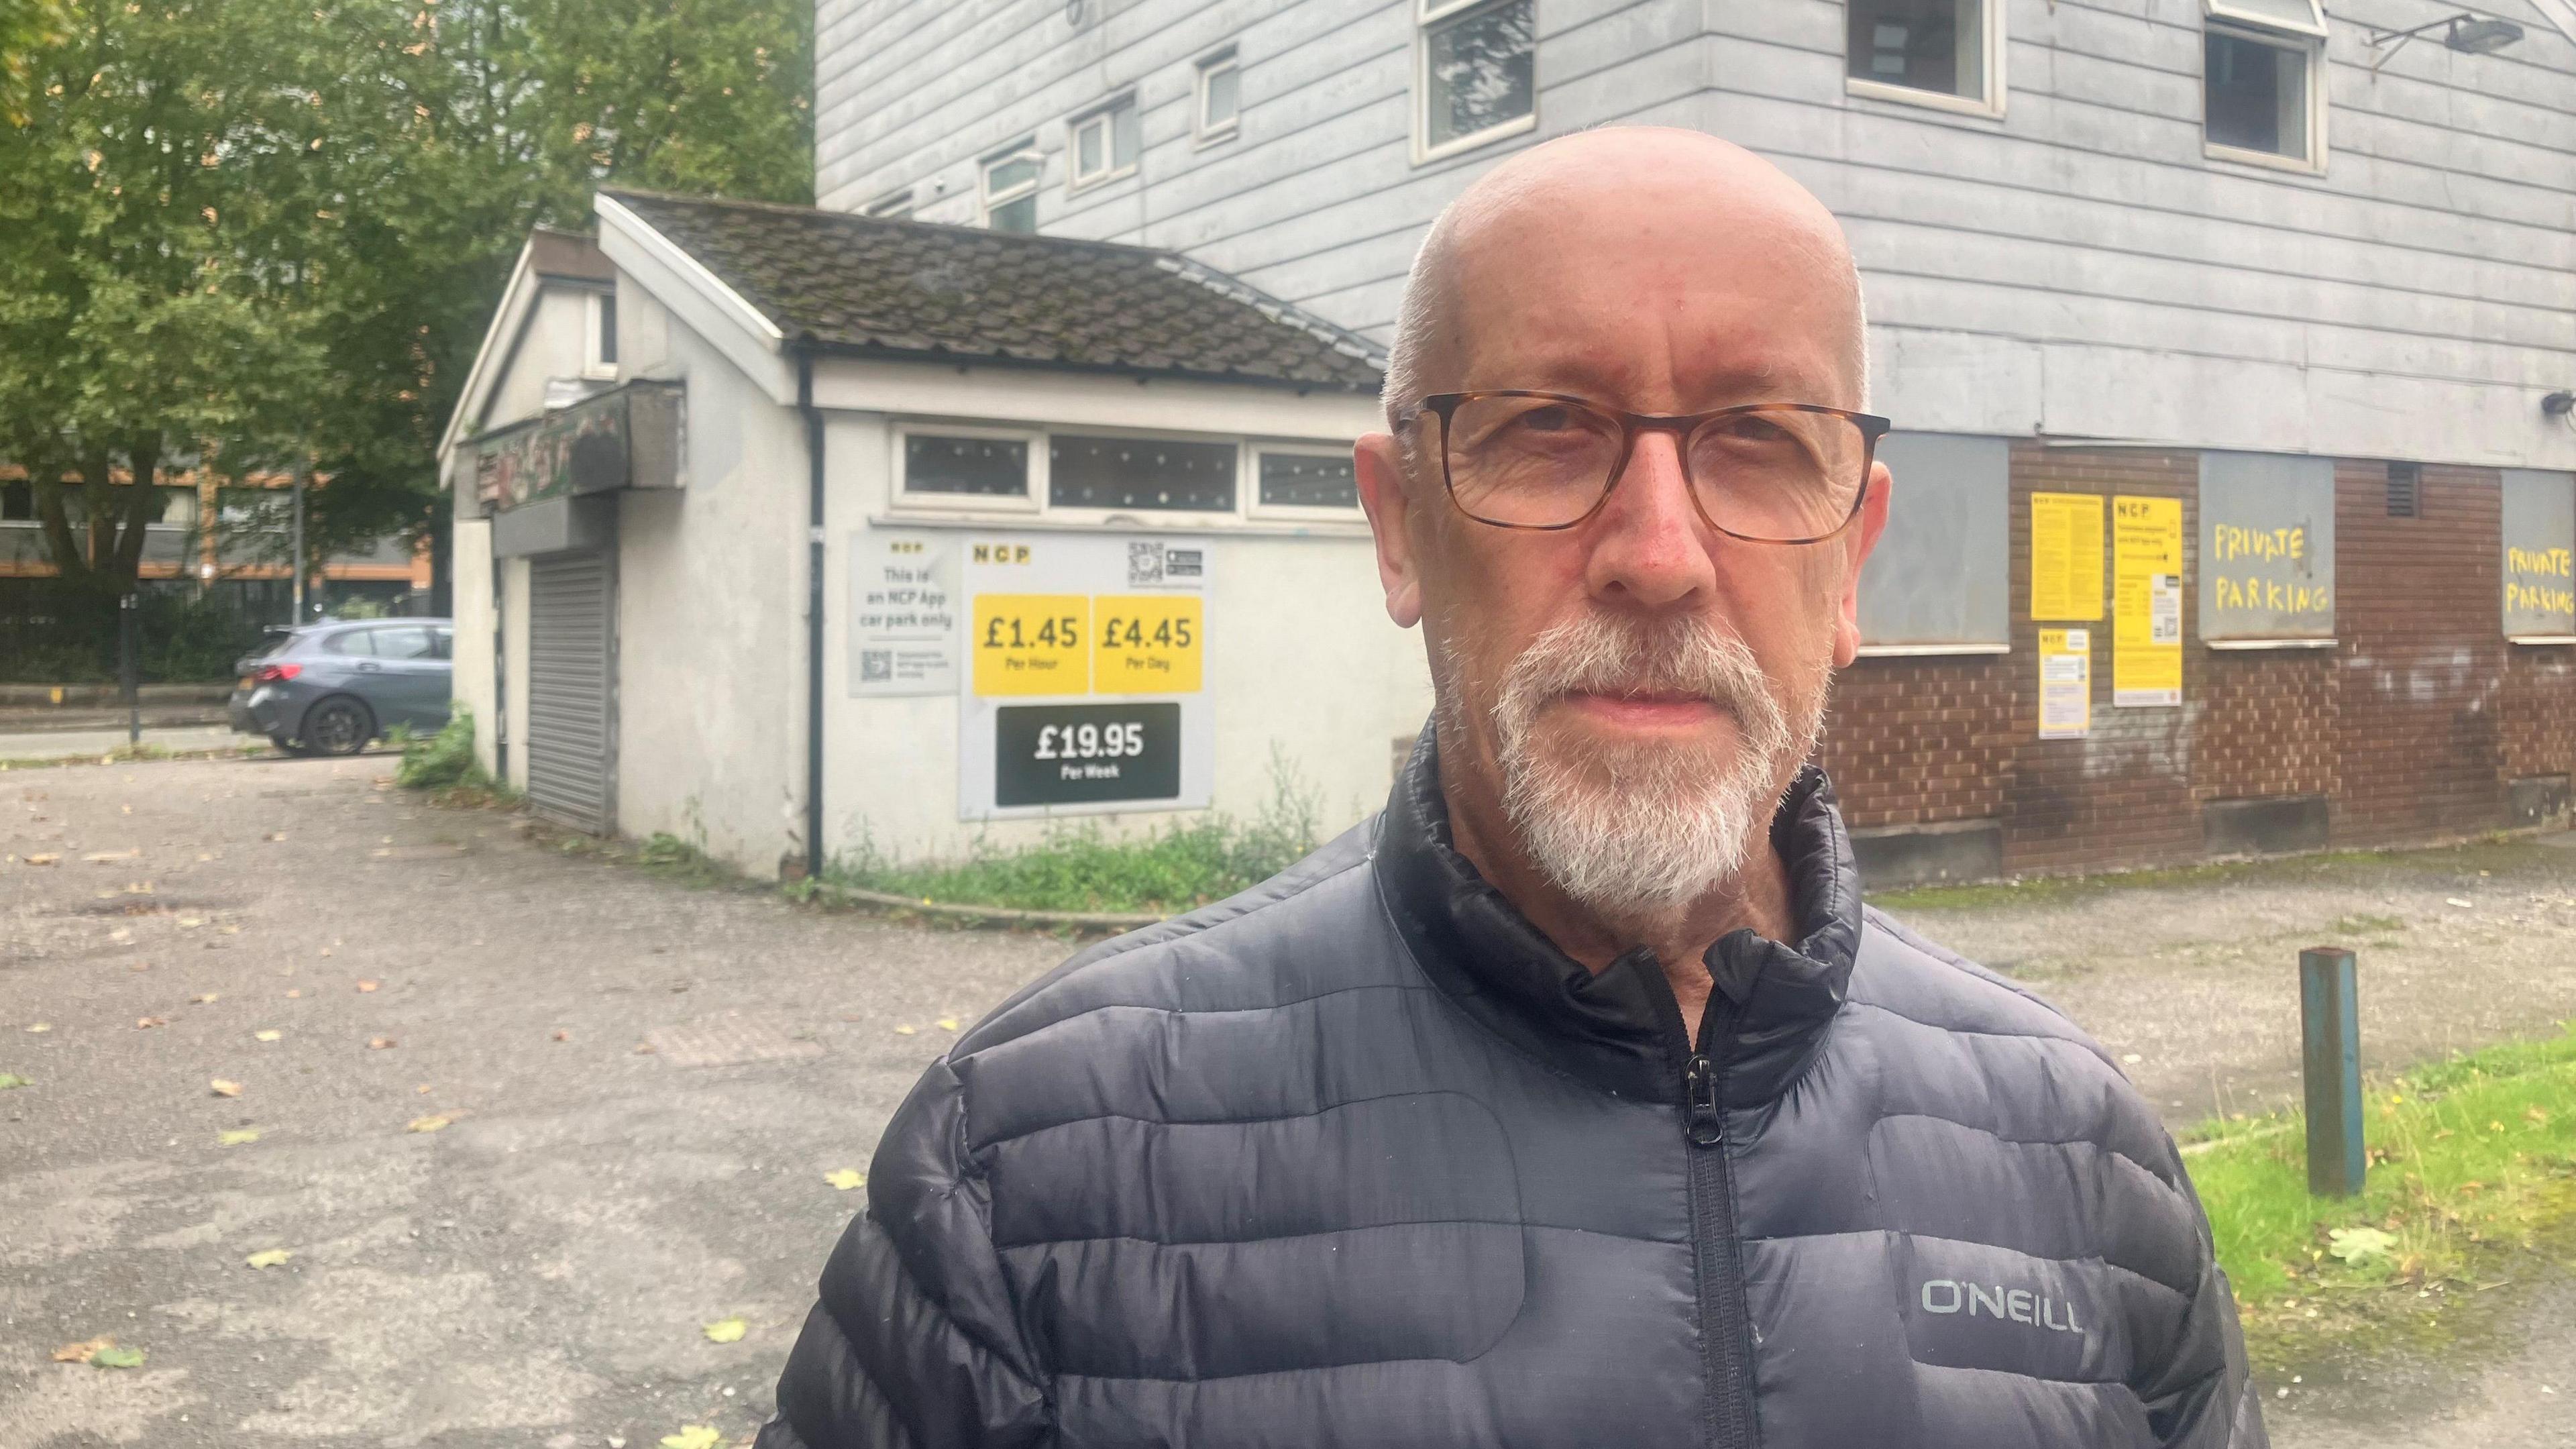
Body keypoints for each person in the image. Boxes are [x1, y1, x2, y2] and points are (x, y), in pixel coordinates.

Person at [755, 127, 2263, 1448]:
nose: (1660, 555)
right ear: (1401, 526)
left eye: (1758, 442)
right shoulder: (1025, 1176)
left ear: (1852, 553)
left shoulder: (2081, 1160)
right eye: (1549, 429)